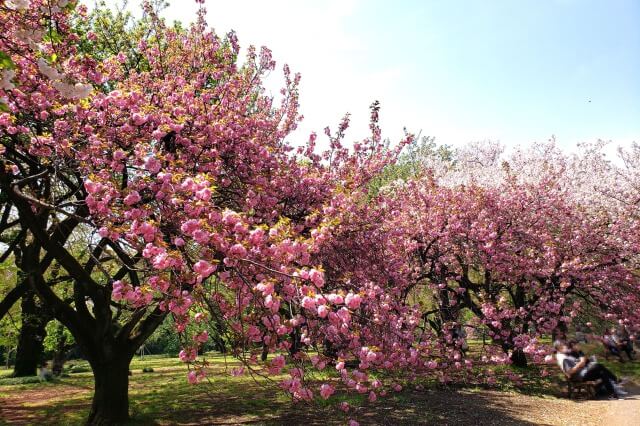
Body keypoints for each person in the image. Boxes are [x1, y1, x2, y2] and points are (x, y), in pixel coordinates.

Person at [554, 340, 627, 398]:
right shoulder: (563, 358)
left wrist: (581, 361)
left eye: (566, 346)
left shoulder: (565, 355)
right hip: (579, 376)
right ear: (559, 348)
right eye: (564, 346)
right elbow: (569, 373)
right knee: (597, 366)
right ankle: (615, 380)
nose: (566, 347)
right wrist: (580, 364)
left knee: (602, 373)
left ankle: (612, 393)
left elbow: (581, 361)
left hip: (583, 373)